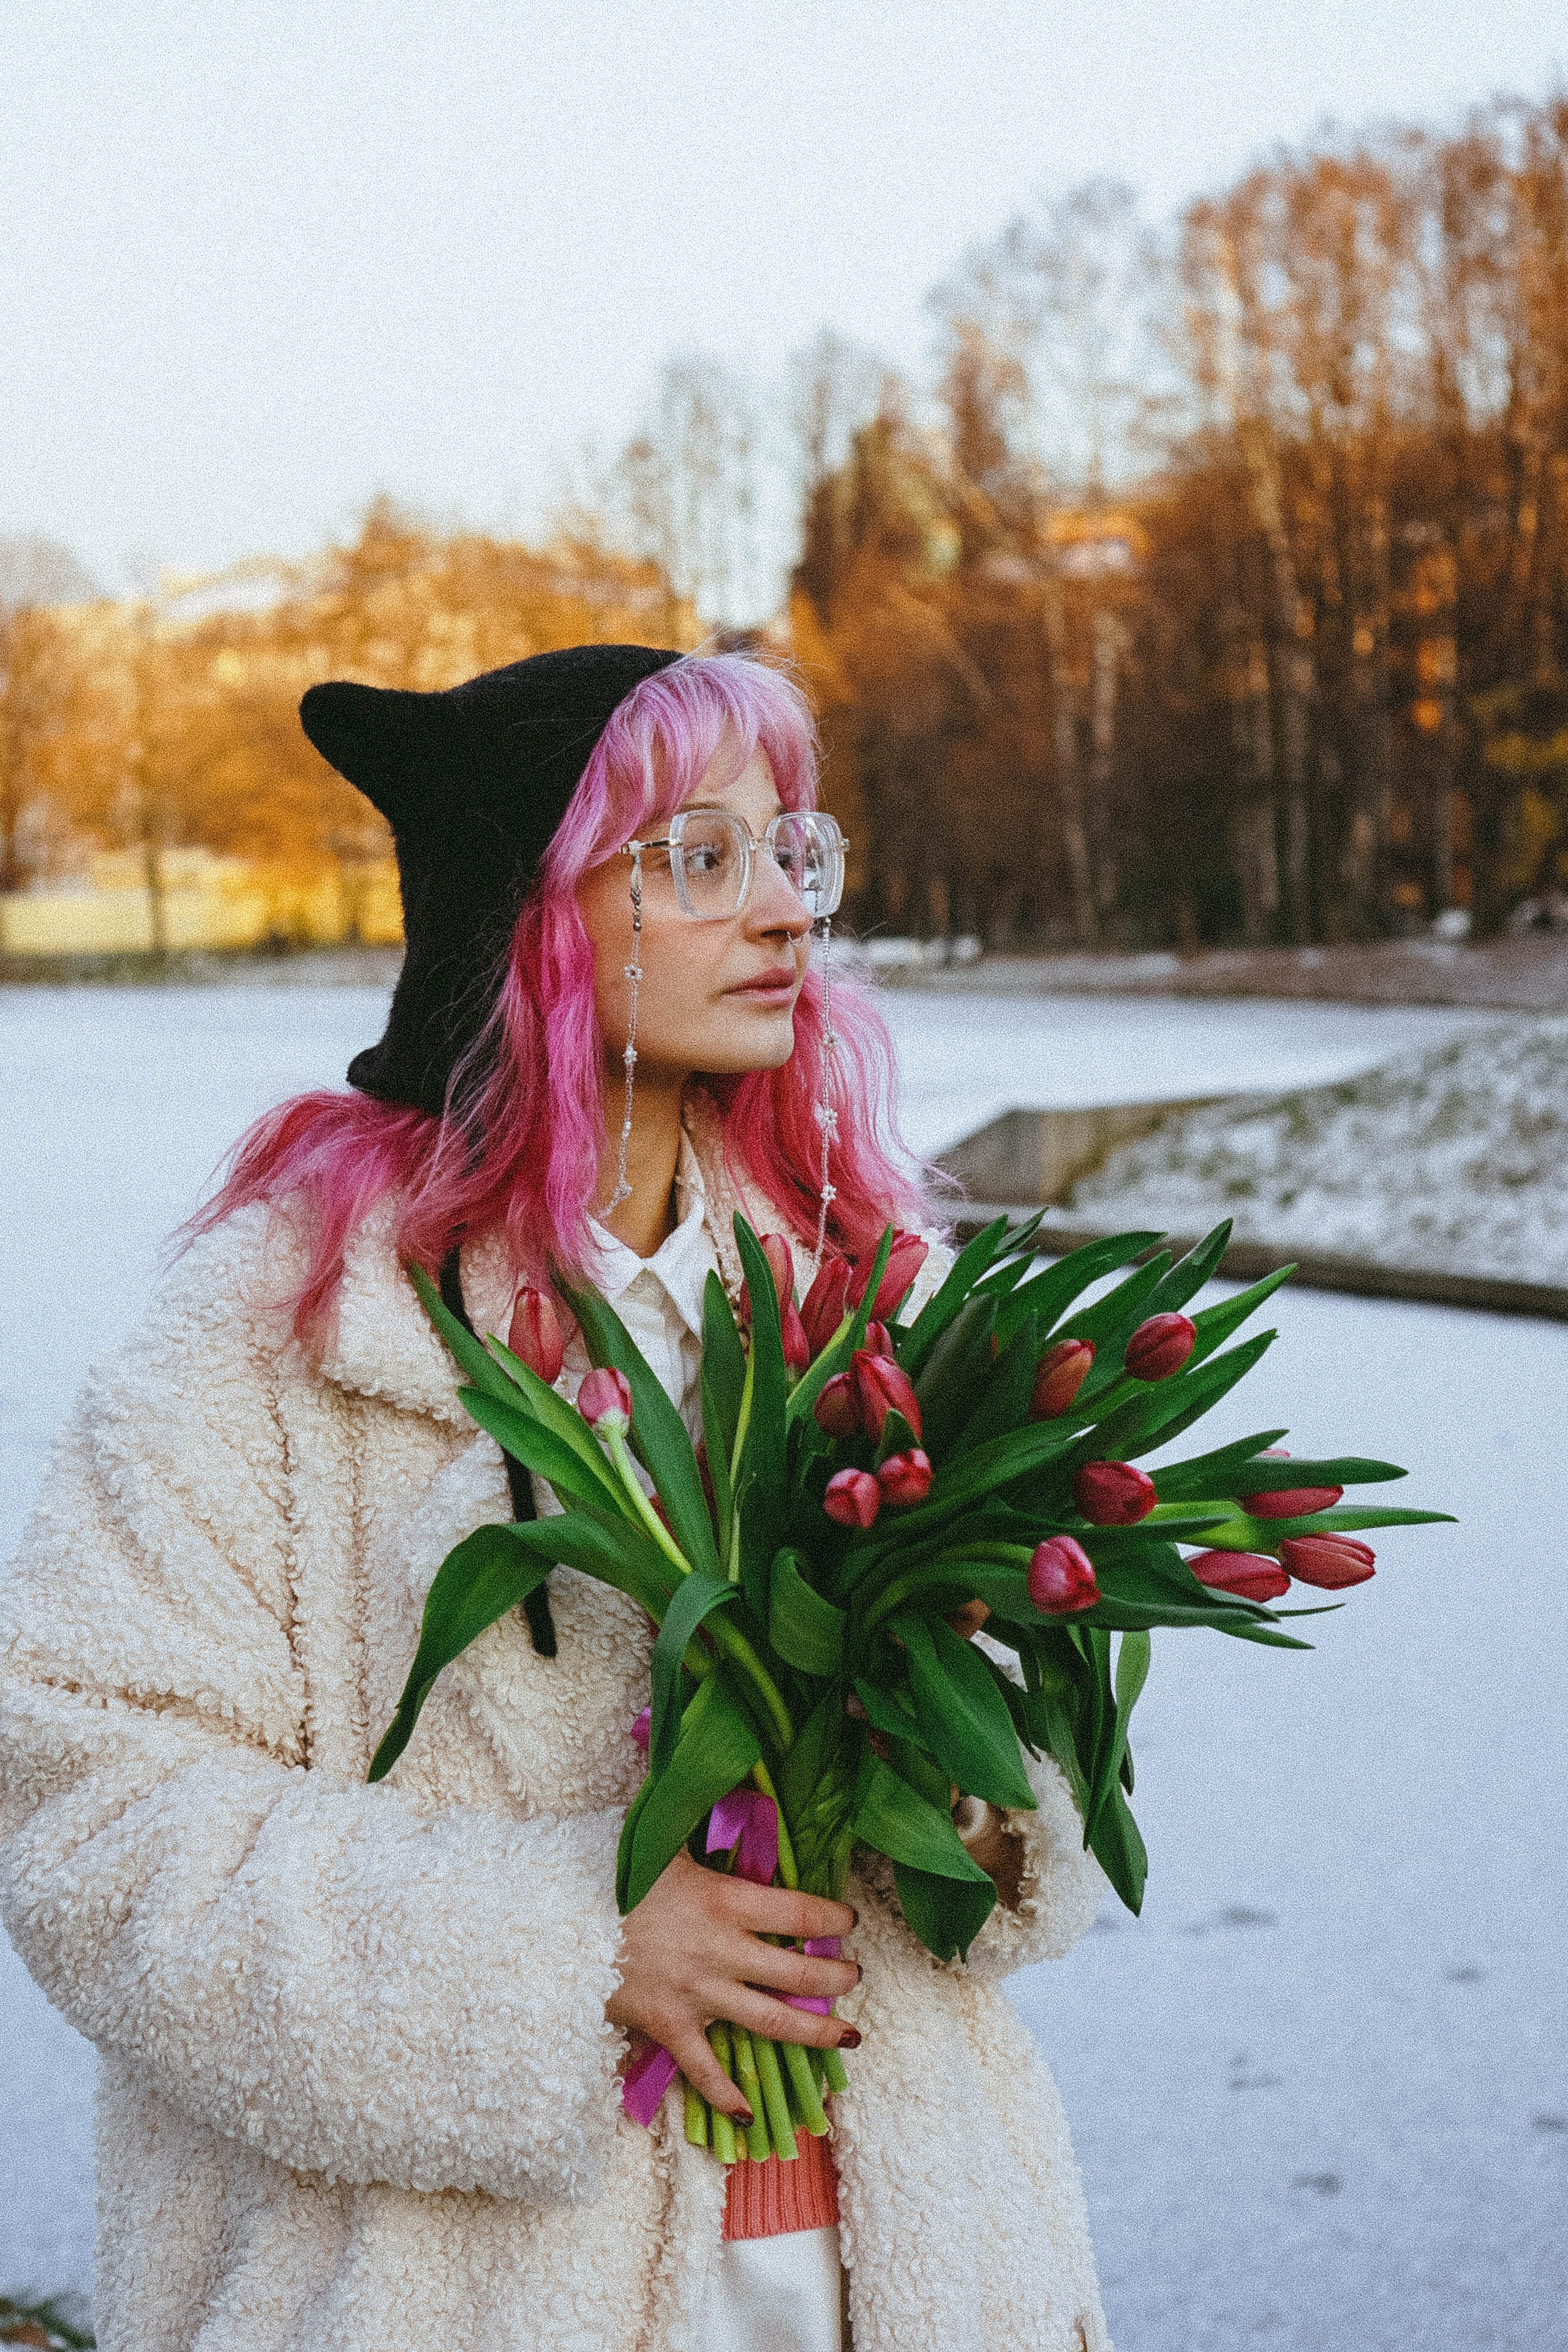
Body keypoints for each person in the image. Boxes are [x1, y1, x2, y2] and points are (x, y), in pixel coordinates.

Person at [0, 647, 1111, 2352]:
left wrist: (976, 1798)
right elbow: (87, 1813)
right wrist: (569, 1949)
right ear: (530, 919)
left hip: (903, 2268)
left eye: (792, 848)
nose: (785, 914)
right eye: (698, 857)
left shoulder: (874, 1295)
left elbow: (1031, 1741)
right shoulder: (283, 1326)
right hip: (464, 2293)